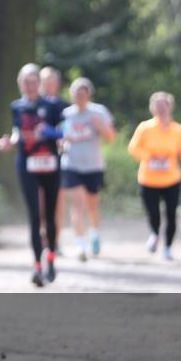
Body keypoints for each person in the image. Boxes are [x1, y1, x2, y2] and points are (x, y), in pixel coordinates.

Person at [0, 64, 66, 286]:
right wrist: (8, 142)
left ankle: (51, 261)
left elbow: (65, 132)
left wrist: (49, 132)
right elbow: (18, 132)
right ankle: (37, 266)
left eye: (33, 81)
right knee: (34, 217)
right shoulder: (17, 107)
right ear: (21, 84)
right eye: (25, 81)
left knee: (50, 216)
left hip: (50, 164)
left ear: (40, 83)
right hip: (27, 164)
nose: (30, 85)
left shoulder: (54, 106)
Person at [128, 92, 181, 261]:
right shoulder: (145, 128)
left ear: (170, 107)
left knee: (171, 214)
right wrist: (150, 157)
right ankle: (155, 234)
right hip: (148, 179)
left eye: (164, 106)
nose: (161, 109)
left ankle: (168, 247)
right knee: (153, 213)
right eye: (157, 106)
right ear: (152, 108)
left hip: (171, 179)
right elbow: (133, 148)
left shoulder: (178, 130)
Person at [59, 77, 115, 261]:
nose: (79, 97)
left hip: (94, 165)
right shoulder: (66, 114)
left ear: (89, 94)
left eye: (83, 93)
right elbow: (59, 138)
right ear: (71, 95)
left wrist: (100, 126)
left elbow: (111, 137)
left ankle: (95, 233)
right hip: (71, 164)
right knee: (77, 204)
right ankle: (81, 245)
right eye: (76, 93)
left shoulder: (99, 112)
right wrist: (60, 142)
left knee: (92, 204)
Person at [40, 66, 68, 253]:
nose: (49, 84)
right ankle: (42, 237)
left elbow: (68, 131)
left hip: (56, 159)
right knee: (39, 201)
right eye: (45, 81)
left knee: (57, 202)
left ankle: (54, 240)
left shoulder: (65, 107)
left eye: (52, 81)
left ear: (58, 84)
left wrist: (57, 135)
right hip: (35, 159)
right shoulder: (32, 105)